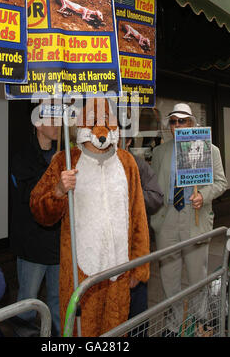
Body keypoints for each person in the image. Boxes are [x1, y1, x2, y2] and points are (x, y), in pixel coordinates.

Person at [30, 98, 150, 337]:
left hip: (119, 271)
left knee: (116, 333)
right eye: (94, 121)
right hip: (81, 275)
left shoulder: (127, 163)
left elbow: (138, 217)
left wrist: (139, 267)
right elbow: (39, 211)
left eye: (107, 121)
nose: (101, 130)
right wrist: (59, 191)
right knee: (80, 332)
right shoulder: (66, 160)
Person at [150, 103, 228, 336]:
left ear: (192, 123)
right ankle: (173, 326)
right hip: (167, 220)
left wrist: (203, 195)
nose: (177, 125)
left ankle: (200, 322)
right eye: (173, 121)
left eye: (182, 121)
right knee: (169, 279)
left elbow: (222, 182)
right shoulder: (160, 152)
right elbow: (155, 188)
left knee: (197, 276)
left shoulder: (209, 149)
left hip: (195, 217)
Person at [10, 113, 61, 336]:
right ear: (38, 124)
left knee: (58, 300)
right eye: (52, 120)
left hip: (58, 242)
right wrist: (53, 169)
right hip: (31, 243)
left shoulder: (64, 155)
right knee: (28, 302)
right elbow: (29, 195)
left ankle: (60, 338)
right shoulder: (22, 157)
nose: (58, 124)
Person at [121, 136, 164, 334]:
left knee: (136, 309)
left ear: (128, 141)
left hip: (134, 249)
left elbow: (156, 197)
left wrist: (132, 197)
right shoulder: (97, 166)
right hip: (108, 255)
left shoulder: (138, 165)